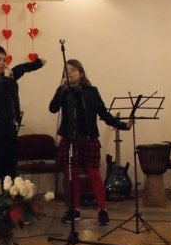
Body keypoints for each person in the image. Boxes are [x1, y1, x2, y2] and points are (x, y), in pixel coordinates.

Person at [49, 59, 130, 225]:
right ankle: (75, 210)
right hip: (70, 138)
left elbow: (104, 114)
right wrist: (61, 89)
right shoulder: (63, 91)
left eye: (72, 70)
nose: (69, 73)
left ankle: (102, 210)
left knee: (94, 174)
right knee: (72, 176)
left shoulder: (92, 91)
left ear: (81, 73)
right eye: (66, 70)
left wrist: (123, 125)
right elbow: (53, 108)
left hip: (88, 138)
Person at [0, 45, 44, 181]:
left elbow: (21, 68)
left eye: (4, 60)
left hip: (9, 127)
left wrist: (37, 64)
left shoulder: (7, 76)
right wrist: (6, 79)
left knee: (10, 168)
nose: (2, 63)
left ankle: (10, 193)